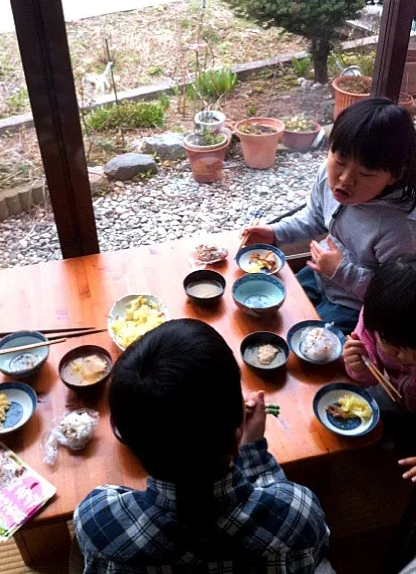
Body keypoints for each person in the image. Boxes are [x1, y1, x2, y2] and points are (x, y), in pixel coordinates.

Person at [73, 319, 331, 574]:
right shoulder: (298, 516)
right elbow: (313, 549)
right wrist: (252, 451)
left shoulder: (97, 520)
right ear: (235, 434)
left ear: (125, 438)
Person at [241, 98, 416, 334]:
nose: (345, 179)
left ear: (394, 176)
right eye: (340, 161)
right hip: (319, 274)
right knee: (267, 310)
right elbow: (314, 217)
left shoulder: (399, 228)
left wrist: (341, 271)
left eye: (365, 173)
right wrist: (274, 233)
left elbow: (396, 295)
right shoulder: (327, 174)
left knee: (305, 341)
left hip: (353, 306)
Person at [343, 254, 416, 414]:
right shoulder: (375, 321)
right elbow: (370, 380)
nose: (405, 358)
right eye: (395, 349)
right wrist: (360, 367)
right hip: (394, 395)